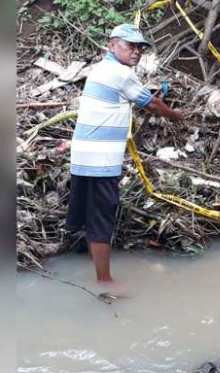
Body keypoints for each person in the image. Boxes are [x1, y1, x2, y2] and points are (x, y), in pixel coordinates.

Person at [66, 23, 183, 284]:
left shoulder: (100, 69)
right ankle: (105, 283)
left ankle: (93, 265)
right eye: (130, 46)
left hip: (82, 156)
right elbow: (151, 103)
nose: (137, 52)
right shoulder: (121, 74)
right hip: (101, 161)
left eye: (140, 47)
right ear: (111, 45)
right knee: (101, 219)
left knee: (89, 215)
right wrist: (176, 116)